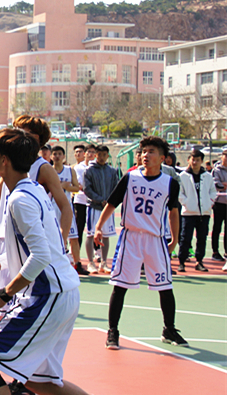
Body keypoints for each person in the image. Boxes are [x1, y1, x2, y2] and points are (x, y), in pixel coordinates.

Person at [0, 128, 87, 395]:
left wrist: (5, 293)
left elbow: (41, 255)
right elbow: (43, 247)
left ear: (4, 160)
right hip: (63, 293)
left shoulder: (20, 200)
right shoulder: (33, 190)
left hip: (47, 297)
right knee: (39, 382)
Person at [96, 136, 188, 350]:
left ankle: (169, 329)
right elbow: (112, 203)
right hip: (131, 238)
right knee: (120, 286)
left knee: (165, 286)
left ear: (162, 158)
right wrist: (99, 226)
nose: (145, 155)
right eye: (144, 151)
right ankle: (113, 331)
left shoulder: (170, 184)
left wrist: (175, 239)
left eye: (151, 151)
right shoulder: (130, 178)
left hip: (156, 239)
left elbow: (174, 213)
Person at [178, 149, 218, 272]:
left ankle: (199, 261)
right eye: (193, 159)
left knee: (202, 238)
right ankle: (182, 262)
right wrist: (187, 203)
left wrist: (209, 203)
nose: (195, 162)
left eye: (197, 160)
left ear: (201, 161)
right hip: (188, 213)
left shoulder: (207, 176)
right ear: (189, 160)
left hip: (204, 213)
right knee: (185, 238)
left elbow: (213, 191)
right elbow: (180, 193)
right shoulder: (183, 176)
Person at [83, 145, 118, 274]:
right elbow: (87, 189)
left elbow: (116, 187)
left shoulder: (112, 171)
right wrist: (100, 200)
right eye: (99, 154)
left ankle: (103, 263)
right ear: (95, 155)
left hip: (107, 208)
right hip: (94, 207)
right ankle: (90, 262)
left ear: (108, 156)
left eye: (104, 155)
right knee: (91, 234)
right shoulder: (89, 170)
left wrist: (109, 201)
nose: (102, 157)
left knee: (106, 236)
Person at [51, 146, 85, 275]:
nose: (57, 156)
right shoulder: (48, 171)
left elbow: (77, 188)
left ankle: (77, 263)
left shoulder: (69, 170)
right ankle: (55, 262)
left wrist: (66, 187)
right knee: (54, 236)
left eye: (59, 154)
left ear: (64, 156)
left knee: (73, 236)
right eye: (55, 154)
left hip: (66, 207)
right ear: (51, 156)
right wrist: (60, 186)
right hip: (52, 206)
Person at [71, 144, 92, 275]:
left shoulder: (94, 168)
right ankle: (74, 259)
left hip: (93, 202)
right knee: (77, 230)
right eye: (77, 152)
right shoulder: (75, 168)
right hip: (79, 201)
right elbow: (76, 186)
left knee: (93, 230)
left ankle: (96, 256)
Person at [212, 149, 227, 262]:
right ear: (222, 157)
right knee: (217, 227)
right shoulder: (216, 170)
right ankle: (215, 252)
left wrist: (224, 184)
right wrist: (222, 185)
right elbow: (217, 185)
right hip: (219, 203)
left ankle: (226, 252)